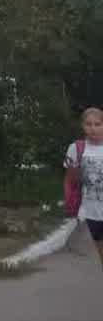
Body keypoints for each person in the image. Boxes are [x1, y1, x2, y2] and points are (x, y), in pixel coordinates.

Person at [68, 107, 103, 269]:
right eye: (89, 124)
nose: (93, 128)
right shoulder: (76, 148)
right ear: (83, 126)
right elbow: (72, 180)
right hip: (91, 211)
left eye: (97, 124)